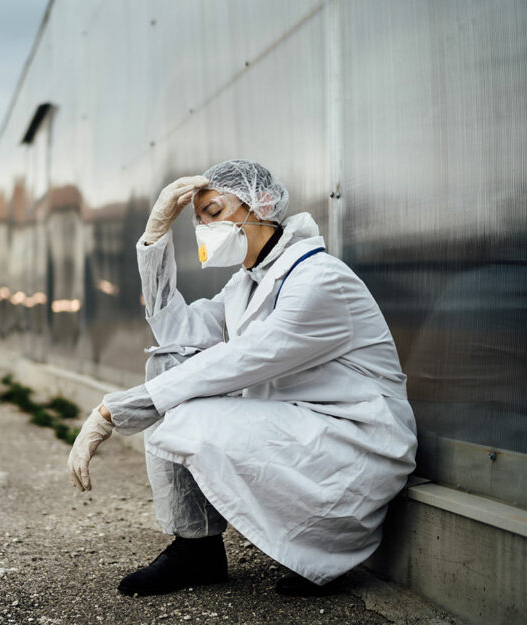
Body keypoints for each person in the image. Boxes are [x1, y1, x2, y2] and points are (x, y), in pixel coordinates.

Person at [67, 160, 417, 597]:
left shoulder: (319, 278)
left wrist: (114, 411)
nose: (204, 228)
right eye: (197, 221)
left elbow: (242, 360)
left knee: (184, 408)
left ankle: (323, 542)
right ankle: (196, 550)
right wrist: (155, 237)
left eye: (213, 213)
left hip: (350, 439)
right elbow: (178, 337)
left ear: (263, 204)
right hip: (298, 424)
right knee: (169, 363)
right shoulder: (247, 283)